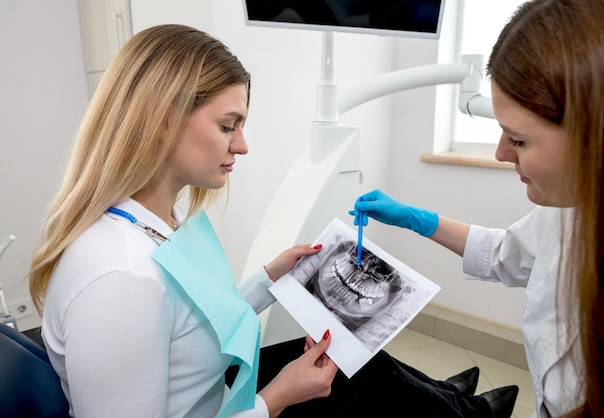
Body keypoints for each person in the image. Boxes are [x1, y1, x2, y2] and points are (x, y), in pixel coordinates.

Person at [27, 24, 517, 418]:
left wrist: (268, 279)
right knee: (346, 380)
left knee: (353, 356)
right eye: (227, 126)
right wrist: (274, 399)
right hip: (230, 404)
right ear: (162, 118)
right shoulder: (120, 280)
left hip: (213, 392)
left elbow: (186, 323)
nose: (241, 145)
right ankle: (463, 413)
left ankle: (451, 401)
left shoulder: (147, 222)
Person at [351, 0, 604, 416]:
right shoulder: (570, 206)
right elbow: (507, 253)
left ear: (603, 136)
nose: (500, 153)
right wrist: (417, 220)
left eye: (518, 140)